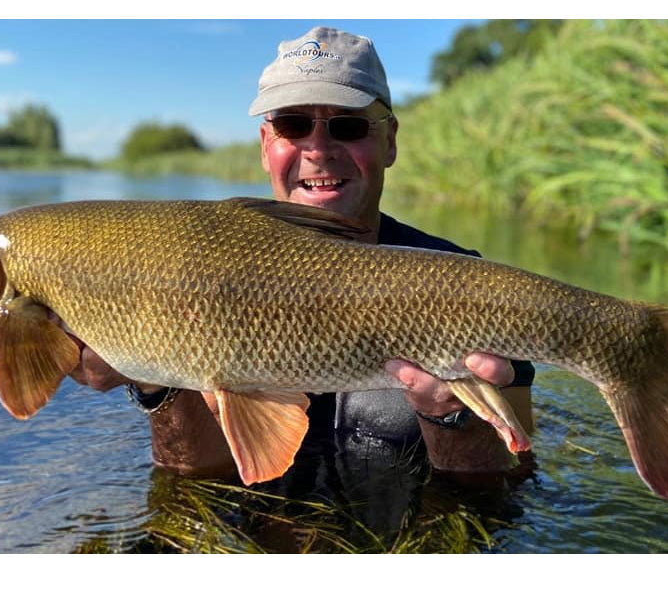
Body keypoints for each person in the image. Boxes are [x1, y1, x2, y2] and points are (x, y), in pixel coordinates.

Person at [68, 26, 534, 483]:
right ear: (266, 145)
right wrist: (152, 381)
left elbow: (505, 487)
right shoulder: (189, 276)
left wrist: (450, 416)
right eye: (293, 125)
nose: (318, 149)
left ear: (389, 140)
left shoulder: (469, 285)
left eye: (347, 126)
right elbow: (195, 476)